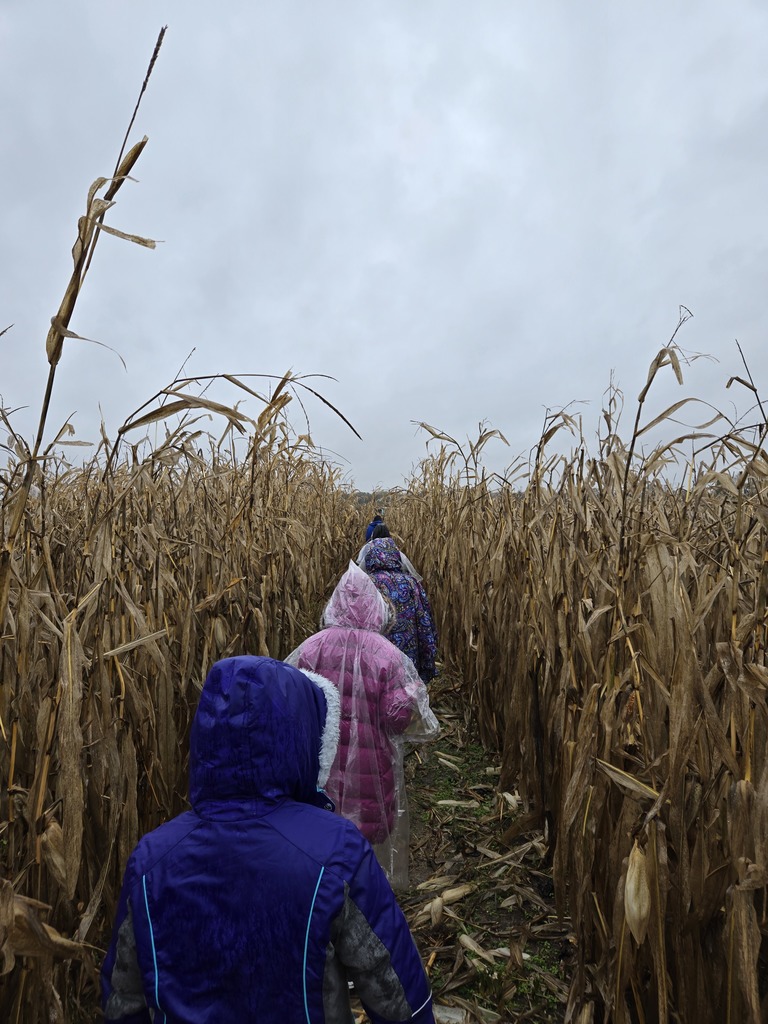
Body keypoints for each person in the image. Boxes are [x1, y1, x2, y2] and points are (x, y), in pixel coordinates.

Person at [101, 655, 435, 1024]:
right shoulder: (335, 851)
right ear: (301, 737)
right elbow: (396, 993)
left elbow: (123, 1000)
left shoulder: (151, 860)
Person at [286, 562, 438, 888]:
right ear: (377, 609)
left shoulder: (311, 648)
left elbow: (288, 707)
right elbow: (398, 719)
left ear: (334, 605)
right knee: (360, 842)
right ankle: (358, 901)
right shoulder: (389, 655)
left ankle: (321, 897)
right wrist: (411, 695)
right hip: (370, 770)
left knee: (320, 837)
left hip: (319, 770)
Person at [363, 537, 438, 684]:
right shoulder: (411, 583)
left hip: (372, 660)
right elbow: (424, 622)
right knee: (405, 702)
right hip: (407, 661)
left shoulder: (364, 583)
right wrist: (428, 661)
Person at [357, 523, 423, 582]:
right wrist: (415, 578)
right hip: (396, 579)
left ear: (374, 534)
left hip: (375, 579)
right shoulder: (393, 546)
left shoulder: (370, 546)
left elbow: (361, 563)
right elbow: (406, 563)